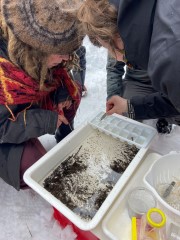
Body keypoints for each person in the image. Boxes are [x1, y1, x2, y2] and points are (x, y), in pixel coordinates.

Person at [0, 0, 84, 190]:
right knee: (34, 168)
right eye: (62, 52)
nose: (67, 59)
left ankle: (64, 134)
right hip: (4, 126)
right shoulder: (4, 74)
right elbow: (2, 128)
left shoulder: (38, 54)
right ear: (35, 48)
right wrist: (45, 120)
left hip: (22, 109)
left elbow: (58, 73)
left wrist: (61, 94)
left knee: (71, 94)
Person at [77, 0, 180, 122]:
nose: (114, 57)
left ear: (117, 37)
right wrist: (129, 107)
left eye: (108, 48)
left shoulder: (168, 61)